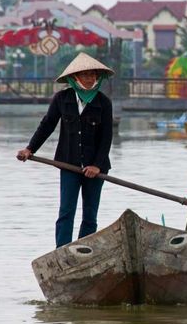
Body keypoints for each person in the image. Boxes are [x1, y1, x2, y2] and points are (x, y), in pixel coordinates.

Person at [16, 52, 115, 248]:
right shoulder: (62, 98)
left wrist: (95, 165)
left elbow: (106, 138)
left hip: (96, 169)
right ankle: (62, 251)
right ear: (75, 77)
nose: (89, 78)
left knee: (90, 215)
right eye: (85, 75)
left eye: (92, 74)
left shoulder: (103, 102)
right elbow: (47, 125)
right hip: (68, 164)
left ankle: (83, 251)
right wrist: (29, 148)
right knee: (66, 212)